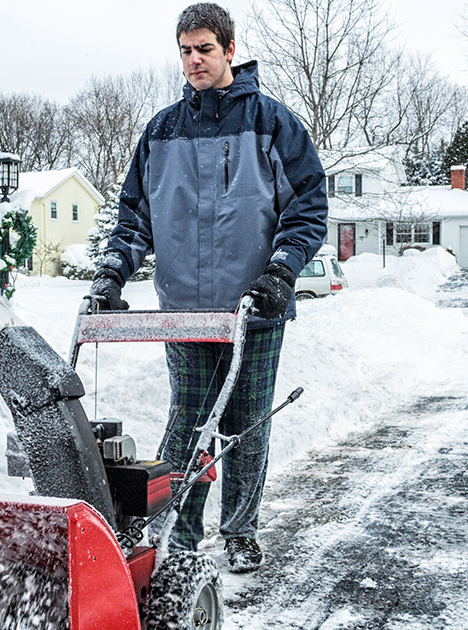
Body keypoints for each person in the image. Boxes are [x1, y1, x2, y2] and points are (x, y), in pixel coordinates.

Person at [89, 2, 327, 573]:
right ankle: (180, 533)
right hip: (185, 312)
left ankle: (240, 530)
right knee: (189, 422)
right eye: (185, 51)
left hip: (255, 310)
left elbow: (309, 208)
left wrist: (282, 270)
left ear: (229, 49)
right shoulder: (161, 131)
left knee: (243, 425)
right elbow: (133, 218)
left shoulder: (273, 123)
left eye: (205, 49)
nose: (194, 61)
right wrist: (112, 273)